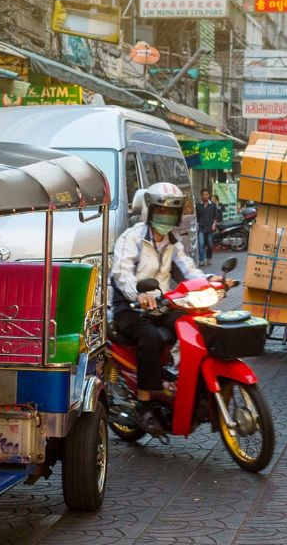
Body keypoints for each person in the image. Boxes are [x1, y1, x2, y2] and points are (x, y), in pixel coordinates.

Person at [110, 183, 219, 434]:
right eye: (161, 212)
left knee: (196, 325)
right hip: (129, 307)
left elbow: (188, 270)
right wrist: (138, 295)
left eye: (171, 214)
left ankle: (181, 384)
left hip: (163, 305)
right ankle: (145, 404)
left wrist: (210, 281)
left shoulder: (173, 242)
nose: (166, 218)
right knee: (150, 339)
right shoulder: (132, 238)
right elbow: (121, 274)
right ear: (150, 211)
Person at [194, 187, 221, 265]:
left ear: (209, 195)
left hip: (210, 227)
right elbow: (197, 217)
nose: (205, 196)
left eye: (207, 194)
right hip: (201, 227)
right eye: (204, 194)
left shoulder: (213, 205)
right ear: (201, 196)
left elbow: (215, 217)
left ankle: (209, 258)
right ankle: (201, 260)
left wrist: (214, 224)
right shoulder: (198, 205)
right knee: (201, 244)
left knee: (210, 245)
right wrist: (197, 225)